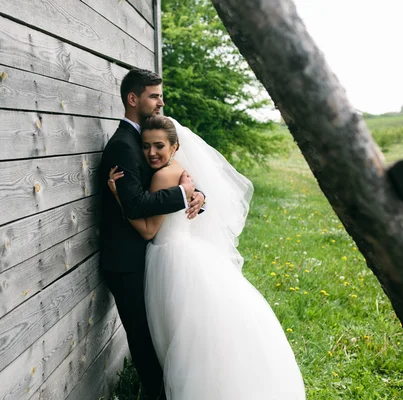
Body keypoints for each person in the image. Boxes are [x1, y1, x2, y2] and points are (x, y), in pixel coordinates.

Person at [108, 115, 306, 399]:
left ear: (174, 147)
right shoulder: (181, 171)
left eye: (159, 146)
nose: (151, 152)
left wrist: (119, 197)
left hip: (169, 257)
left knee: (183, 337)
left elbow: (149, 231)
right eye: (146, 146)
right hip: (186, 252)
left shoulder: (164, 176)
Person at [98, 69, 205, 400]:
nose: (161, 102)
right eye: (154, 96)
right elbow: (136, 203)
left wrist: (197, 195)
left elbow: (169, 173)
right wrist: (183, 195)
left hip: (147, 252)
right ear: (133, 99)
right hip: (126, 261)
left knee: (158, 334)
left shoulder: (143, 138)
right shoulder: (123, 146)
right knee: (144, 340)